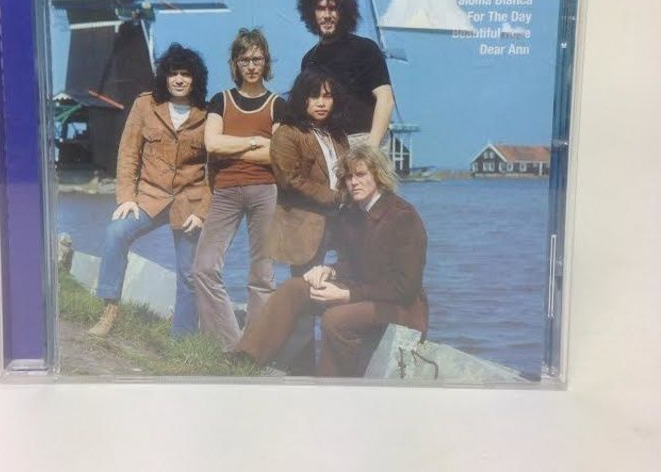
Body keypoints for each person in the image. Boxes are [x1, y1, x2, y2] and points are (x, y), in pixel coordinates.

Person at [234, 144, 428, 378]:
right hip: (364, 294)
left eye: (360, 174)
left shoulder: (402, 216)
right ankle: (245, 360)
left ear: (379, 175)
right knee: (295, 288)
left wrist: (347, 295)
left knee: (335, 319)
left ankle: (330, 385)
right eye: (348, 177)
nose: (353, 182)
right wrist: (328, 270)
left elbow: (404, 288)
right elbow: (351, 264)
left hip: (401, 308)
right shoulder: (352, 213)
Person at [87, 43, 210, 338]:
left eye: (186, 74)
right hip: (149, 197)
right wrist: (126, 198)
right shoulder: (145, 105)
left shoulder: (208, 114)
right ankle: (109, 311)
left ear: (195, 79)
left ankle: (182, 340)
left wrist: (203, 211)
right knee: (115, 233)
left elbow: (215, 170)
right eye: (173, 73)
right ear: (164, 76)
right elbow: (128, 153)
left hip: (189, 203)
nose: (179, 79)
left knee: (189, 273)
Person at [193, 28, 285, 351]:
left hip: (266, 190)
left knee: (262, 273)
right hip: (226, 191)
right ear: (235, 63)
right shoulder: (221, 100)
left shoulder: (277, 105)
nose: (251, 65)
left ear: (266, 61)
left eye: (257, 59)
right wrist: (254, 141)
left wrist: (234, 148)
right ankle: (230, 346)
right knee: (203, 267)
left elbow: (278, 154)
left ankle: (256, 349)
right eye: (244, 59)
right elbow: (212, 144)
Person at [263, 67, 349, 374]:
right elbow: (290, 180)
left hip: (339, 224)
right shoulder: (287, 133)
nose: (322, 102)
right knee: (305, 295)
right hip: (304, 227)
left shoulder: (337, 135)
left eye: (327, 96)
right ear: (302, 98)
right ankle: (299, 369)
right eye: (314, 96)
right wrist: (335, 197)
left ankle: (325, 365)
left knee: (334, 288)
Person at [297, 0, 394, 147]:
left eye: (333, 8)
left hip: (366, 140)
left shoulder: (365, 49)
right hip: (328, 144)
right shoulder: (309, 59)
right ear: (311, 13)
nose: (327, 15)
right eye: (320, 9)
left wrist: (371, 146)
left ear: (344, 12)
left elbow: (385, 98)